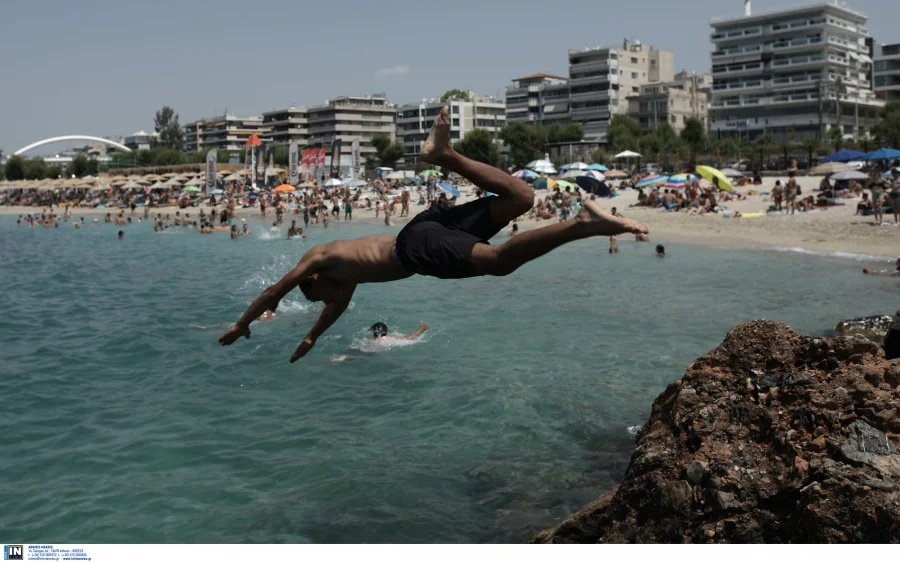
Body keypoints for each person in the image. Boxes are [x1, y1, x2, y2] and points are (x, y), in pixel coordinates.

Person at [219, 106, 648, 361]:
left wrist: (243, 323)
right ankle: (444, 155)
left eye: (323, 294)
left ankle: (581, 225)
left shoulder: (322, 261)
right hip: (424, 227)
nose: (332, 299)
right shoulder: (344, 282)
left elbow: (275, 291)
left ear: (316, 281)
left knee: (498, 263)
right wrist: (311, 336)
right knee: (521, 196)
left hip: (415, 248)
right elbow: (330, 313)